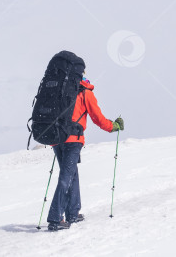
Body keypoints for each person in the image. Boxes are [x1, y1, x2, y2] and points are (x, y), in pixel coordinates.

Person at [46, 55, 124, 231]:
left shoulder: (59, 89)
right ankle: (55, 218)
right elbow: (97, 118)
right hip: (73, 140)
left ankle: (73, 213)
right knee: (66, 176)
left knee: (71, 174)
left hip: (57, 140)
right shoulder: (84, 91)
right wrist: (114, 127)